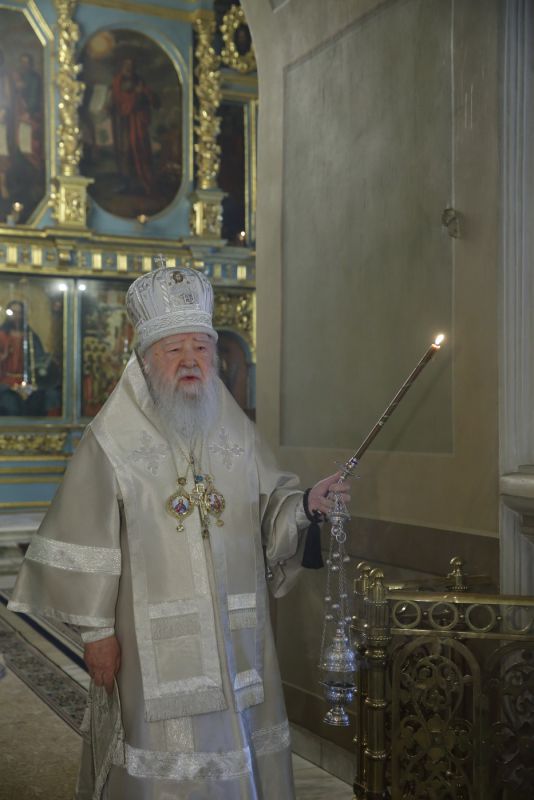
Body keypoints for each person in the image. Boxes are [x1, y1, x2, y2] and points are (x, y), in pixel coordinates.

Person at [8, 266, 350, 799]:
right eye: (174, 349)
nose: (191, 360)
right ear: (145, 360)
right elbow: (86, 541)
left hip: (236, 643)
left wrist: (306, 504)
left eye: (202, 348)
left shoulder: (235, 430)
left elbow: (269, 513)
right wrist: (97, 635)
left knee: (240, 744)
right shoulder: (112, 439)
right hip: (149, 649)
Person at [111, 56, 158, 195]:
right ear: (122, 66)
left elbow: (152, 98)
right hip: (123, 123)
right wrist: (135, 95)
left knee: (140, 149)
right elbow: (119, 100)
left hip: (137, 122)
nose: (129, 68)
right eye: (126, 65)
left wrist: (146, 94)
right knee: (125, 151)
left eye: (131, 65)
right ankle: (126, 183)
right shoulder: (118, 81)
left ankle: (143, 181)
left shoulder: (139, 80)